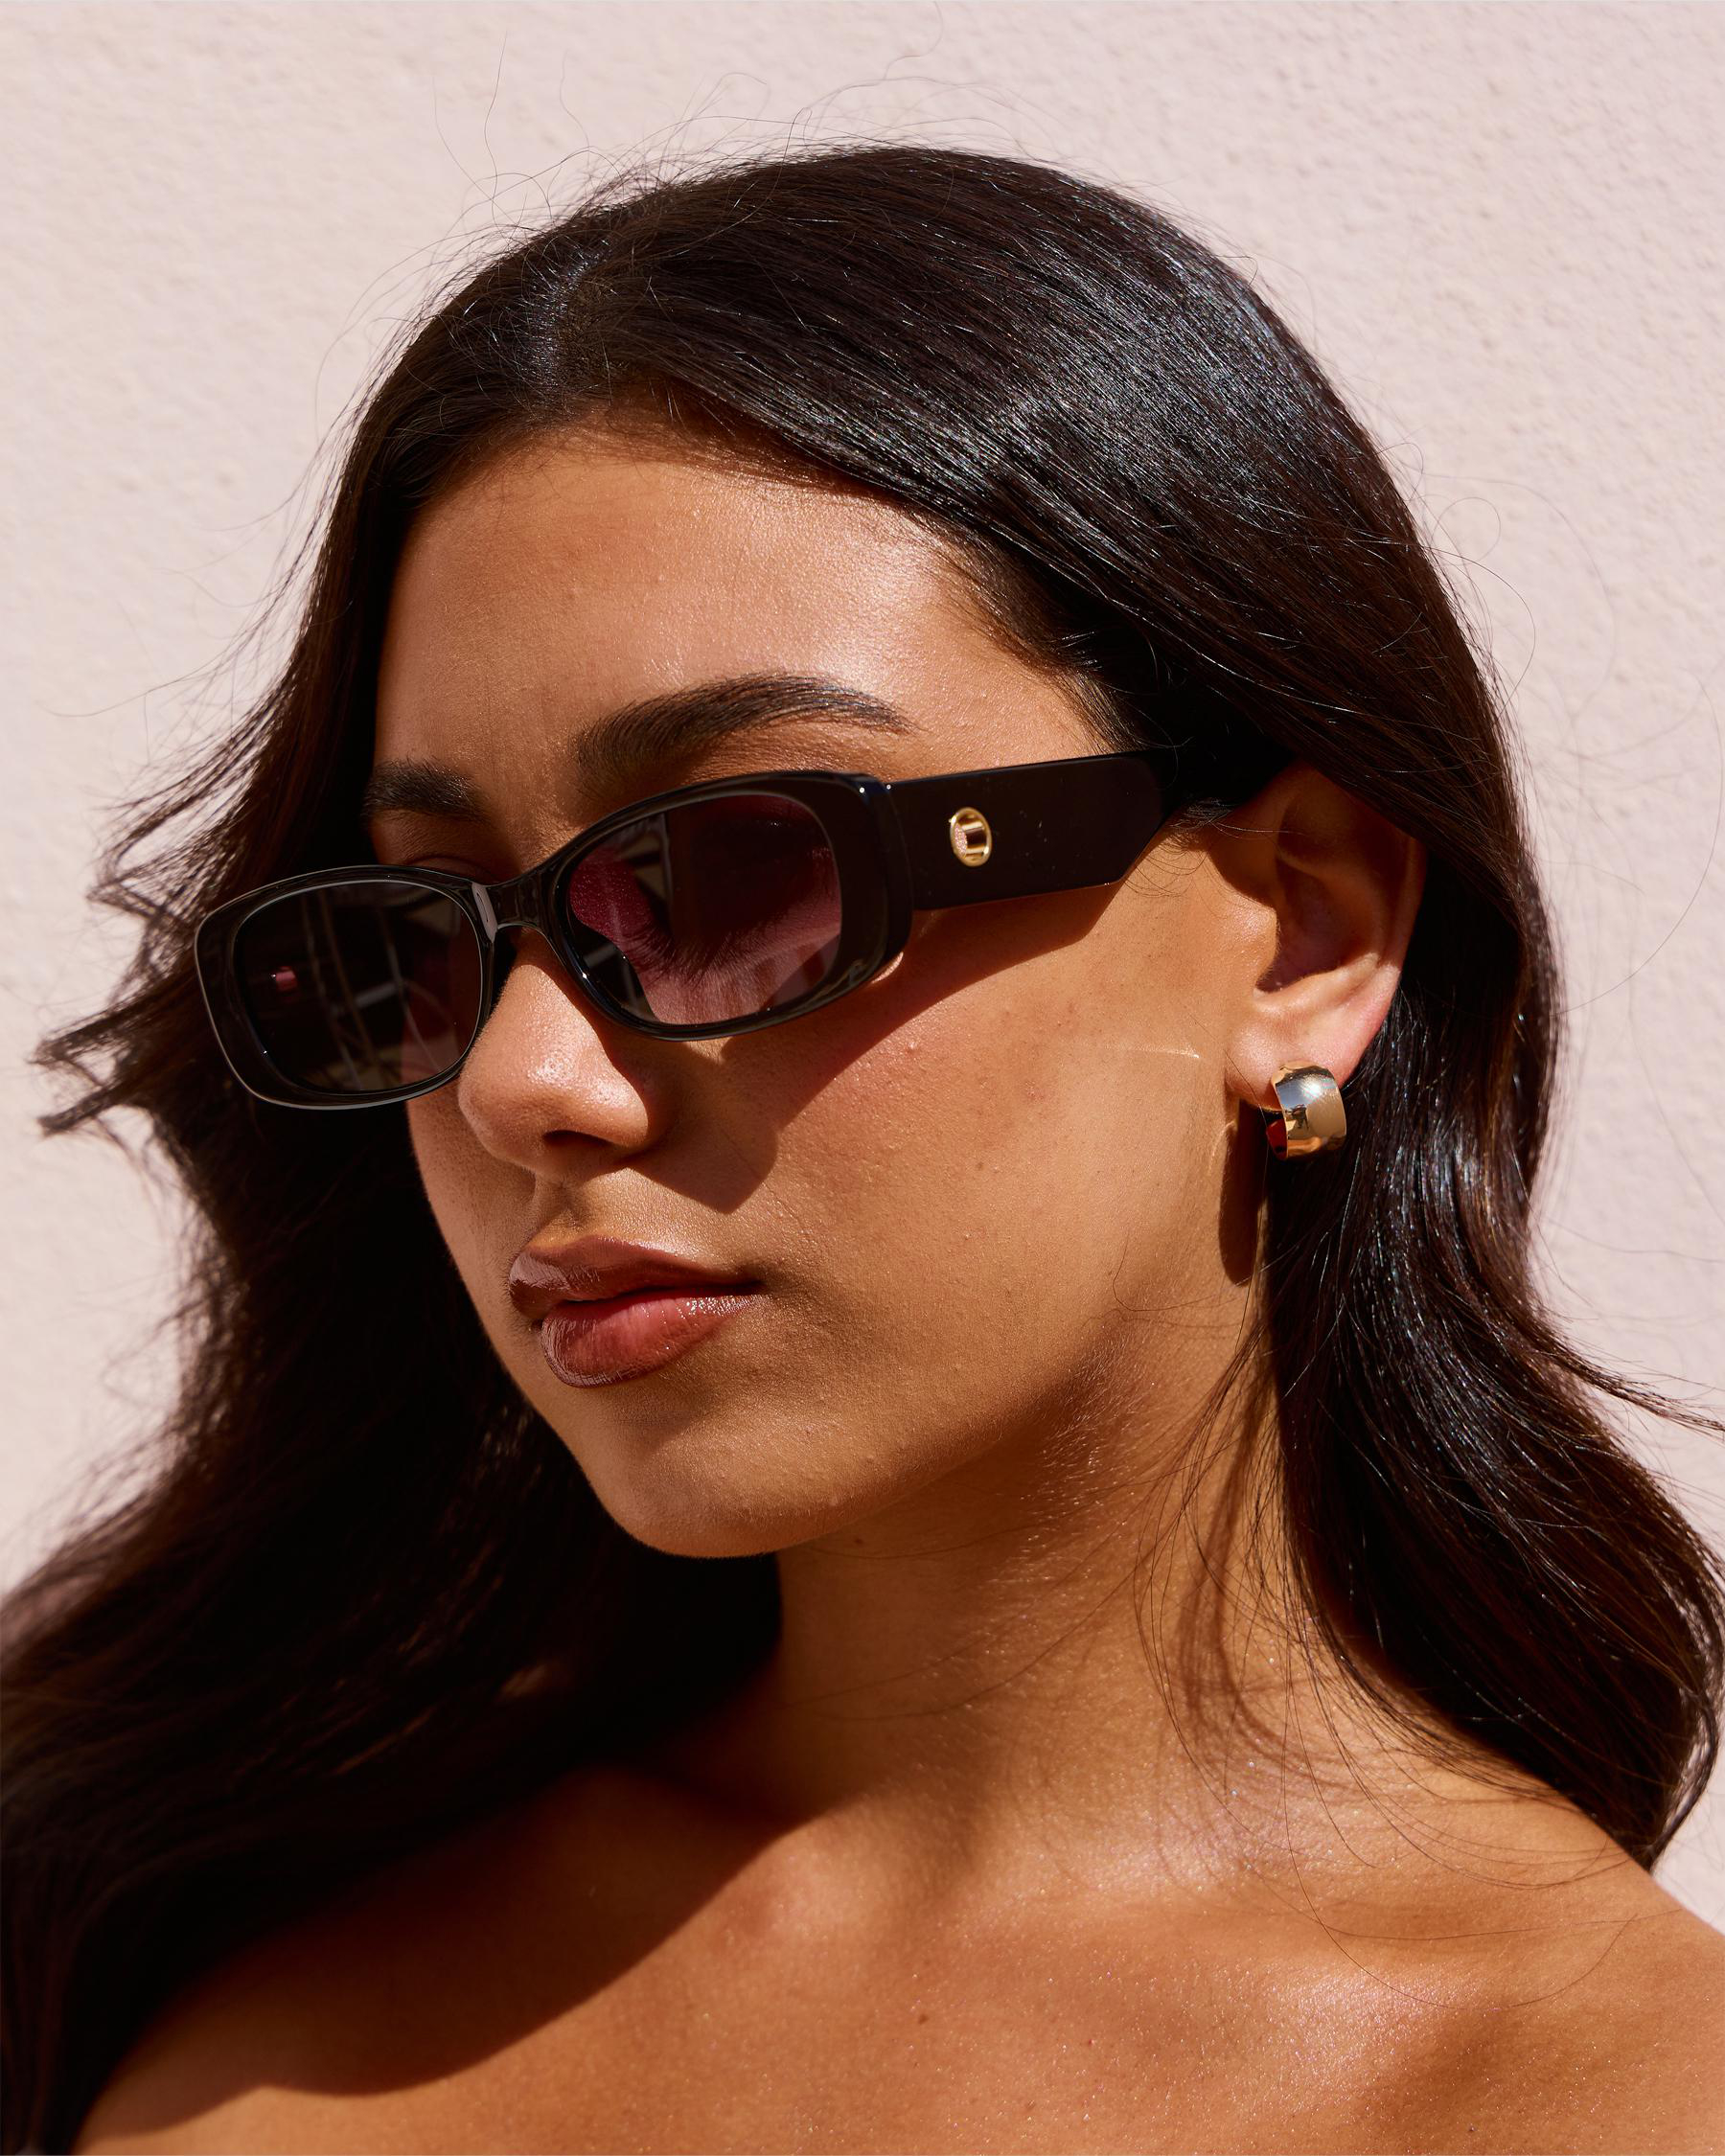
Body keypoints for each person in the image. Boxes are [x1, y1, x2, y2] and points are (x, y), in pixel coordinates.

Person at [6, 141, 1722, 2155]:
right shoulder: (202, 1946)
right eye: (424, 932)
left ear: (1303, 934)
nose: (522, 1082)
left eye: (742, 871)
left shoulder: (1617, 2096)